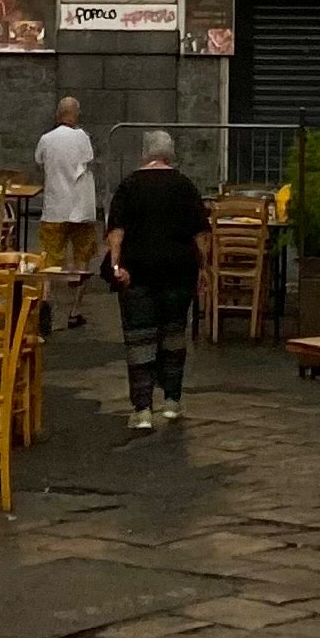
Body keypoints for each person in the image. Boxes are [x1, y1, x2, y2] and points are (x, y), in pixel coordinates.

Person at [102, 129, 209, 432]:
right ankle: (173, 402)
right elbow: (201, 235)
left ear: (145, 154)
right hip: (179, 272)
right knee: (174, 335)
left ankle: (143, 409)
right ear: (170, 154)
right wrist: (203, 269)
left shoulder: (129, 185)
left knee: (140, 339)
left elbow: (116, 233)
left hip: (138, 274)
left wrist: (117, 265)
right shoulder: (185, 186)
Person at [32, 90, 100, 327]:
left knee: (48, 260)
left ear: (58, 114)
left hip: (54, 209)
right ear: (75, 114)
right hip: (80, 210)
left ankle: (46, 303)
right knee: (82, 258)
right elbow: (88, 161)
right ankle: (74, 311)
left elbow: (39, 161)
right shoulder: (83, 138)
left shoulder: (46, 139)